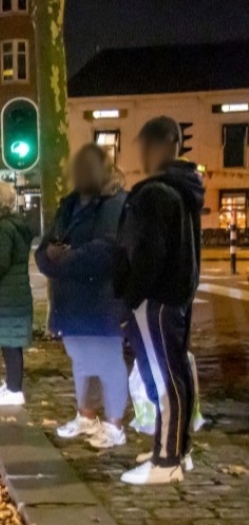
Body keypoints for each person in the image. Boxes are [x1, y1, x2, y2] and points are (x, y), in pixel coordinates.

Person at [114, 116, 204, 485]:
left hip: (155, 299)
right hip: (175, 297)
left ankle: (166, 461)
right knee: (176, 374)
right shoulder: (184, 190)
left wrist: (128, 297)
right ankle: (175, 450)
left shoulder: (154, 194)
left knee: (165, 380)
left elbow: (147, 253)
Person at [36, 144, 128, 448]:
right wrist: (48, 256)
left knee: (108, 361)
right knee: (82, 360)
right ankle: (86, 416)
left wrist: (66, 259)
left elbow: (109, 249)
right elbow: (45, 247)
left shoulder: (115, 203)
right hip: (70, 301)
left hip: (102, 299)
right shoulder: (69, 204)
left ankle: (115, 425)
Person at [0, 181, 34, 406]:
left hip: (6, 296)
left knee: (10, 343)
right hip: (15, 294)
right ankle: (11, 384)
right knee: (11, 342)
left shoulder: (3, 228)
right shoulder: (16, 225)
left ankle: (14, 389)